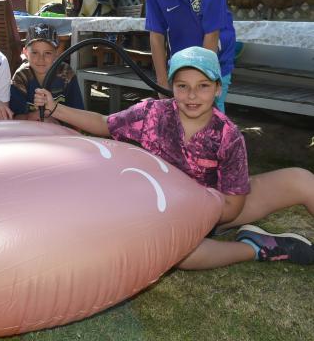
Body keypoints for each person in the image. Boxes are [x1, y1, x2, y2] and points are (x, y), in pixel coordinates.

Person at [34, 46, 314, 269]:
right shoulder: (151, 113)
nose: (192, 95)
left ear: (218, 88)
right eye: (183, 86)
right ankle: (254, 248)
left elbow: (232, 205)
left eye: (203, 86)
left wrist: (202, 214)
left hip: (216, 210)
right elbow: (104, 123)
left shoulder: (229, 135)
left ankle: (210, 236)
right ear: (172, 87)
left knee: (302, 180)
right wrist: (55, 108)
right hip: (165, 215)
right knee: (179, 256)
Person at [10, 23, 84, 121]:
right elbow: (13, 117)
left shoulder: (66, 74)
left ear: (57, 53)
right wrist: (31, 117)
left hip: (62, 132)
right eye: (35, 53)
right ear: (25, 53)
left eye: (47, 53)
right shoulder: (21, 77)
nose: (41, 59)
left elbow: (78, 115)